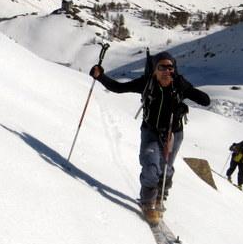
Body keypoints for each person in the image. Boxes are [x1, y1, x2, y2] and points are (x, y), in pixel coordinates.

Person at [89, 51, 210, 223]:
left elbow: (205, 101)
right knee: (151, 167)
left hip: (173, 133)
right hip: (151, 131)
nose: (167, 71)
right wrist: (100, 76)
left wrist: (184, 103)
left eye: (170, 67)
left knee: (166, 168)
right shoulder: (146, 83)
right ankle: (148, 202)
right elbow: (118, 88)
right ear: (154, 70)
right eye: (162, 67)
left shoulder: (179, 84)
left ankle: (161, 195)